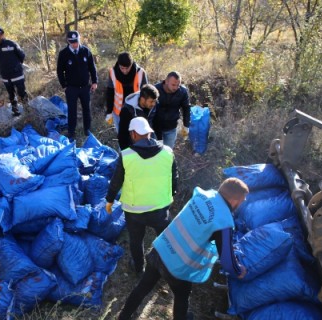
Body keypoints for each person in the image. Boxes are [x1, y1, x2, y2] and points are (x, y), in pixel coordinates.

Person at [118, 178, 249, 320]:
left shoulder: (202, 195)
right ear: (235, 201)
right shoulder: (223, 222)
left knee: (143, 287)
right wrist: (239, 270)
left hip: (161, 248)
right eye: (242, 201)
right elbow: (228, 262)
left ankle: (123, 316)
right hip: (178, 266)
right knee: (182, 297)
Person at [106, 117, 178, 274]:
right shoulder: (168, 152)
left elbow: (116, 182)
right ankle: (165, 267)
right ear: (149, 133)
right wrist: (171, 195)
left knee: (136, 240)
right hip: (160, 208)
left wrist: (109, 200)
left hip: (134, 211)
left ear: (133, 134)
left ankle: (139, 268)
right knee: (165, 239)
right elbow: (174, 178)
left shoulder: (126, 156)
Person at [57, 30, 98, 142]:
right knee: (72, 111)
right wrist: (64, 85)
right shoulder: (64, 54)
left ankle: (87, 129)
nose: (75, 44)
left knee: (86, 109)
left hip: (85, 87)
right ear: (68, 41)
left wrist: (94, 82)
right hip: (71, 88)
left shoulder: (86, 51)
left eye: (76, 41)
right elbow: (60, 71)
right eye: (72, 42)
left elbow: (92, 68)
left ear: (79, 40)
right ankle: (71, 132)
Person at [0, 26, 27, 117]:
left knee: (21, 92)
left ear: (2, 34)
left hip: (17, 74)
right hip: (6, 75)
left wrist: (15, 66)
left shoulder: (11, 44)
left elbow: (22, 55)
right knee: (11, 94)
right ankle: (15, 110)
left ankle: (27, 109)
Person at [106, 52, 148, 131]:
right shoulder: (113, 72)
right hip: (118, 111)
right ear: (118, 65)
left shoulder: (140, 72)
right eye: (122, 68)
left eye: (127, 68)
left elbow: (146, 94)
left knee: (135, 135)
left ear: (131, 64)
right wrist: (109, 112)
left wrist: (145, 112)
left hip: (136, 111)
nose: (125, 71)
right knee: (122, 135)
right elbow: (110, 92)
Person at [154, 71, 191, 148]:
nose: (176, 88)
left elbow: (186, 108)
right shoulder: (155, 90)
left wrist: (186, 125)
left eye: (178, 85)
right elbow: (149, 111)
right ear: (166, 81)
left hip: (171, 128)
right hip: (155, 128)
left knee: (168, 153)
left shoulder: (182, 92)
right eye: (173, 85)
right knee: (155, 154)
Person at [118, 84, 158, 150]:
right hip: (132, 148)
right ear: (142, 99)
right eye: (151, 101)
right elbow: (122, 134)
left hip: (150, 146)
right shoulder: (127, 110)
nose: (153, 104)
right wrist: (125, 152)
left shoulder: (153, 105)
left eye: (155, 101)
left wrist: (159, 144)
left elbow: (157, 125)